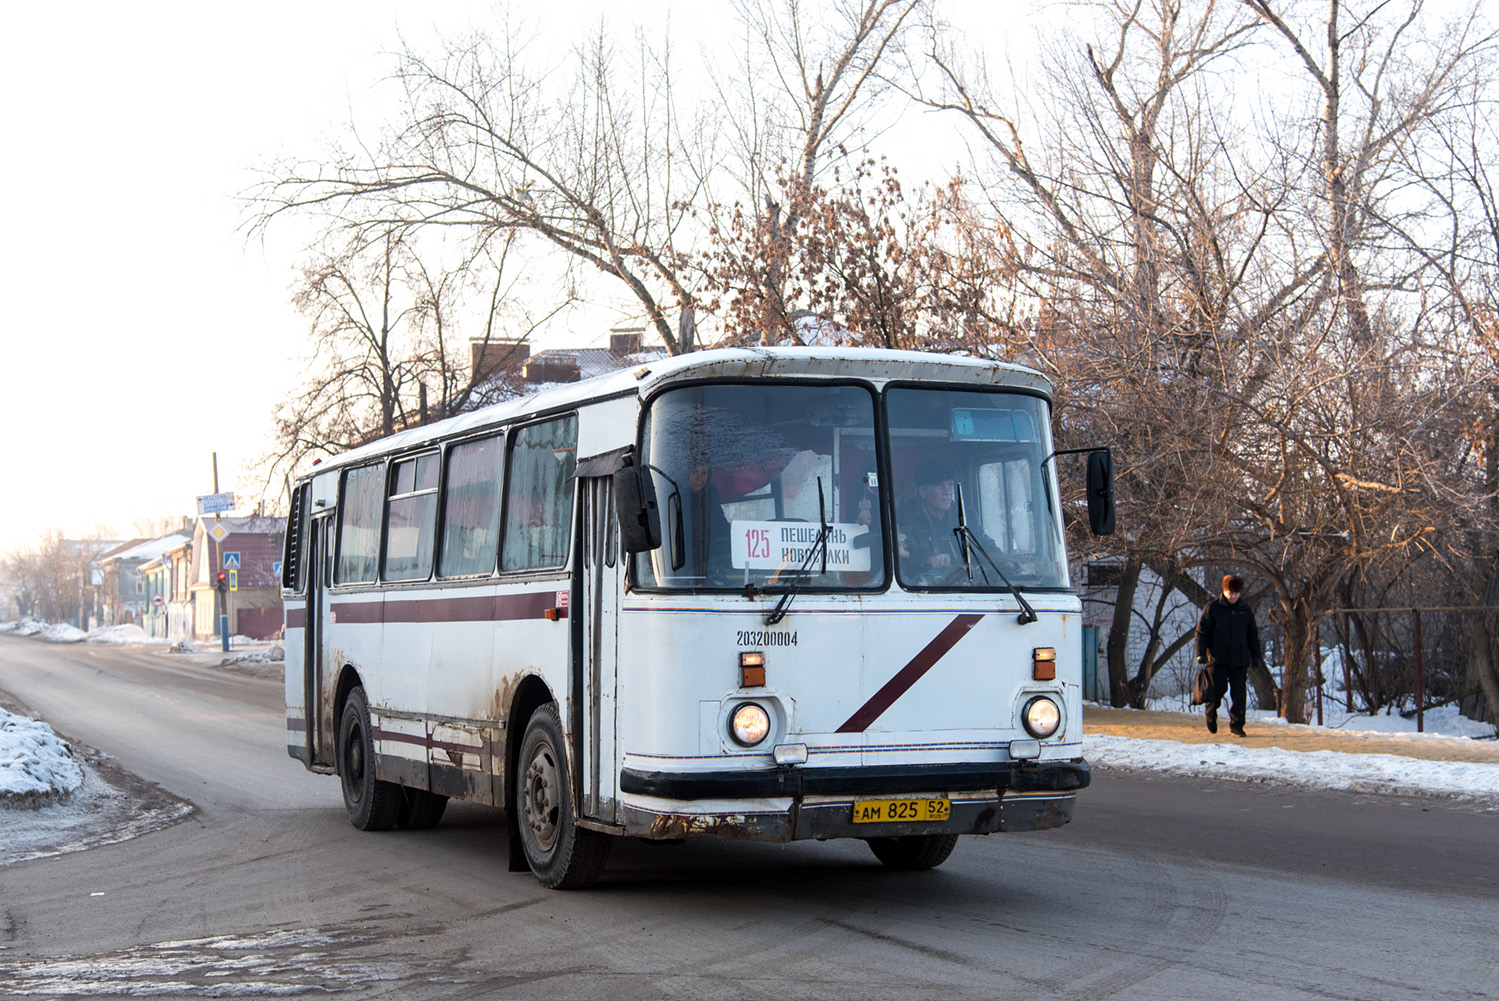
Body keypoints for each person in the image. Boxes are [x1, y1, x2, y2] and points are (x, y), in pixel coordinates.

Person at [1194, 574, 1265, 737]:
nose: (1233, 596)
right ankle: (1211, 714)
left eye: (1236, 593)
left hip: (1239, 661)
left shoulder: (1245, 610)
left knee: (1239, 695)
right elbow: (1201, 633)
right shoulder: (1212, 608)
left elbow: (1252, 636)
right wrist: (1201, 654)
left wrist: (1256, 656)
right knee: (1217, 692)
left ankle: (1237, 725)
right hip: (1217, 660)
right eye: (1229, 593)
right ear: (1224, 591)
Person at [896, 458, 963, 578]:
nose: (947, 492)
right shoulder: (904, 517)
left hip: (963, 581)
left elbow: (983, 544)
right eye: (940, 485)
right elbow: (908, 552)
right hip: (921, 587)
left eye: (950, 485)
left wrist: (1005, 560)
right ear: (923, 491)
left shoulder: (965, 515)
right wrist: (929, 559)